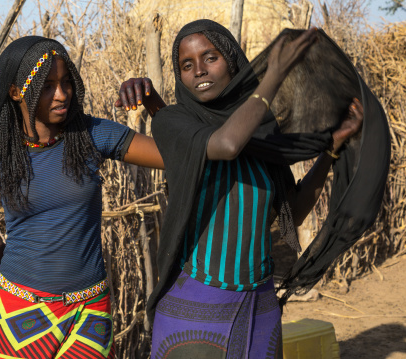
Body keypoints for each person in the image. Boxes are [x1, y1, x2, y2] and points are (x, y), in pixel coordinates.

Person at [116, 20, 364, 358]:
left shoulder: (263, 135)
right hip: (196, 312)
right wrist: (273, 75)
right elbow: (227, 144)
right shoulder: (174, 123)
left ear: (233, 60)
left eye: (210, 58)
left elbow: (292, 213)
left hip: (260, 307)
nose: (199, 71)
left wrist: (329, 151)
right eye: (187, 65)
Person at [0, 36, 163, 359]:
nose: (61, 95)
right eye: (47, 86)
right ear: (16, 92)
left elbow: (178, 156)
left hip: (89, 316)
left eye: (66, 82)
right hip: (19, 314)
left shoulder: (90, 135)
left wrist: (152, 101)